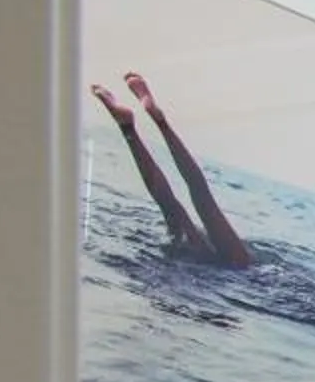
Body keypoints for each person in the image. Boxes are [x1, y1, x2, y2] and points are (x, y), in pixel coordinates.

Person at [88, 72, 253, 268]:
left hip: (243, 266)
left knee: (203, 198)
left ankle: (160, 121)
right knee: (171, 209)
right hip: (231, 272)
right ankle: (127, 128)